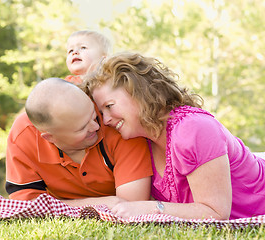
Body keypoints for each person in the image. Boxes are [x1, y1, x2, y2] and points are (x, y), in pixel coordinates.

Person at [83, 52, 265, 220]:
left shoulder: (193, 129)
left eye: (109, 106)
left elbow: (215, 213)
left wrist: (149, 208)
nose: (105, 120)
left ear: (137, 92)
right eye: (101, 112)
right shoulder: (141, 142)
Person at [5, 77, 152, 207]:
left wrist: (56, 205)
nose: (96, 126)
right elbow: (25, 206)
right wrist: (101, 203)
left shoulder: (117, 124)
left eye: (94, 115)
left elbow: (131, 205)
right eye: (82, 128)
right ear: (50, 138)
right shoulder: (23, 136)